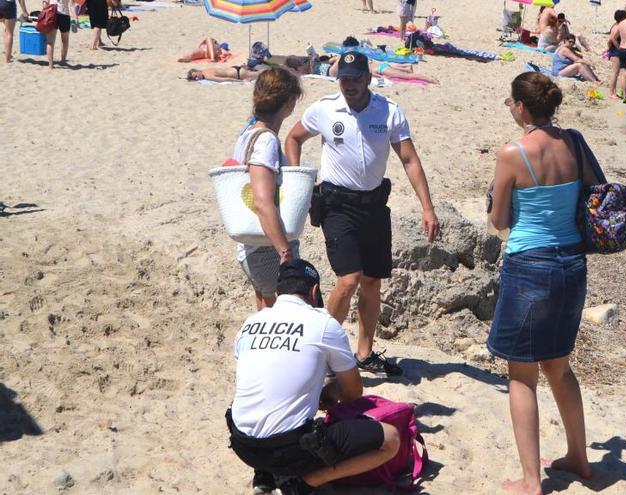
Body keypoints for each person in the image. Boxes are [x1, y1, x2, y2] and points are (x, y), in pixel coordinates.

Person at [284, 52, 440, 376]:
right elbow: (293, 138)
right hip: (337, 205)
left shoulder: (389, 111)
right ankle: (321, 351)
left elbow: (409, 159)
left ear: (368, 78)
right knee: (348, 279)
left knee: (372, 282)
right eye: (344, 79)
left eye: (355, 78)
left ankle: (364, 352)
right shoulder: (325, 108)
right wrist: (301, 179)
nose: (350, 85)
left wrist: (427, 207)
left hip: (374, 206)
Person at [489, 72, 596, 495]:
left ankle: (532, 482)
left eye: (510, 102)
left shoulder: (513, 152)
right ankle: (579, 458)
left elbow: (499, 221)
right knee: (559, 364)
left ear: (521, 106)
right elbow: (589, 193)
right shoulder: (572, 141)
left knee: (521, 375)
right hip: (572, 263)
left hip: (530, 265)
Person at [226, 258, 401, 495]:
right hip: (289, 450)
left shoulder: (251, 323)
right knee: (390, 439)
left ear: (278, 292)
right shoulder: (323, 324)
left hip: (243, 446)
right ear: (314, 291)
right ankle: (302, 485)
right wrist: (329, 391)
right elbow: (353, 393)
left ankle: (264, 476)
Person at [229, 68, 303, 310]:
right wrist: (286, 255)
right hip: (265, 247)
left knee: (265, 307)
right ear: (289, 103)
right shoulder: (266, 140)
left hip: (252, 246)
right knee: (284, 310)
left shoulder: (247, 134)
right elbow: (262, 202)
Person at [45, 0, 76, 68]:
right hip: (64, 14)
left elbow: (46, 2)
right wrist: (75, 19)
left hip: (52, 13)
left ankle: (50, 64)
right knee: (65, 40)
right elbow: (71, 5)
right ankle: (63, 61)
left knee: (50, 41)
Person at [606, 10, 626, 100]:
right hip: (616, 51)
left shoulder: (616, 25)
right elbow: (611, 40)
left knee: (616, 73)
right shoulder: (617, 27)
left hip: (614, 50)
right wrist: (618, 48)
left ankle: (614, 92)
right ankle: (611, 93)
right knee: (615, 73)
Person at [185, 65, 264, 82]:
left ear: (197, 71)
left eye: (196, 76)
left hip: (238, 74)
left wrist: (241, 81)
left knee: (259, 74)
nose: (197, 78)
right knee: (257, 73)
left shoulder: (207, 76)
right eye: (195, 78)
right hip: (235, 69)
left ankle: (274, 71)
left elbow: (225, 79)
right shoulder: (206, 69)